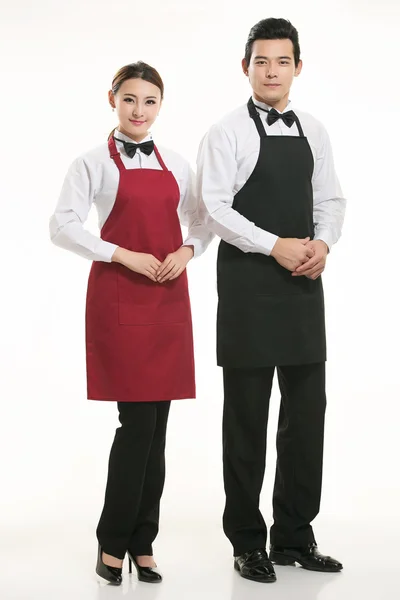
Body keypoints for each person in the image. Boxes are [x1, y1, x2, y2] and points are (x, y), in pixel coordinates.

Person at [50, 61, 212, 585]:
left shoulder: (177, 161)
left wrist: (188, 250)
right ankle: (112, 542)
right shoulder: (91, 162)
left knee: (158, 429)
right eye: (130, 100)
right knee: (137, 426)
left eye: (150, 102)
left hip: (167, 300)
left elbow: (204, 218)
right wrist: (122, 254)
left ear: (160, 106)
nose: (139, 111)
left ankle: (144, 541)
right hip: (121, 296)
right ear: (113, 100)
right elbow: (63, 226)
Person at [196, 18, 345, 583]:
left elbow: (331, 198)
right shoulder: (226, 131)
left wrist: (322, 243)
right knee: (246, 422)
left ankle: (294, 535)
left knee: (307, 416)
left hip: (304, 283)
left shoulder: (315, 129)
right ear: (246, 67)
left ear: (297, 67)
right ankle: (247, 541)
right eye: (262, 61)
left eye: (282, 61)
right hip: (249, 288)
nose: (272, 71)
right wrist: (275, 245)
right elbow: (215, 208)